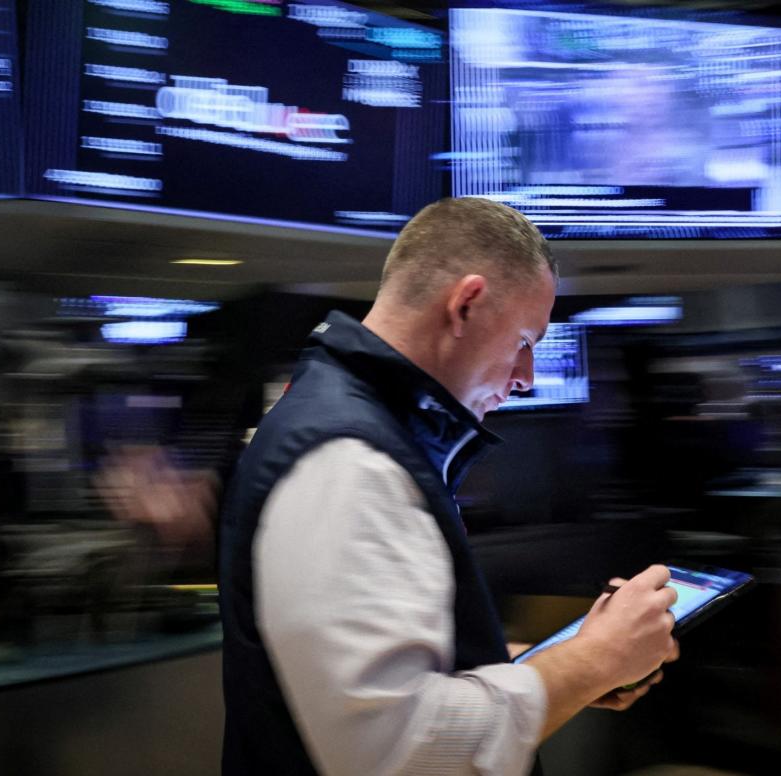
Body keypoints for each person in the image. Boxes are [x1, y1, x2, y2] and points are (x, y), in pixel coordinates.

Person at [218, 197, 679, 776]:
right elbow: (393, 748)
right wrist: (590, 663)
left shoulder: (358, 429)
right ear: (466, 305)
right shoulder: (350, 462)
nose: (526, 380)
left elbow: (414, 673)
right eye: (525, 343)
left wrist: (568, 663)